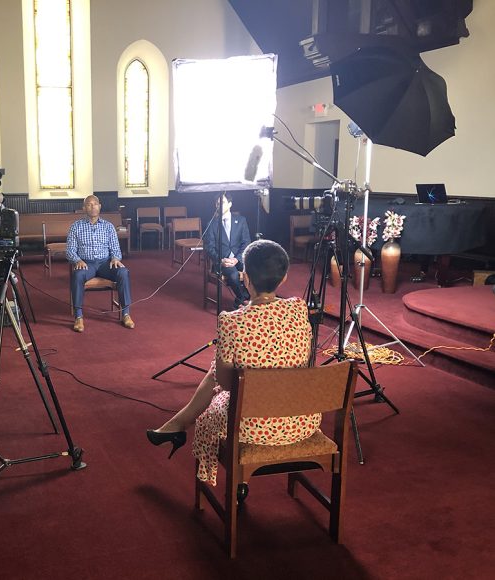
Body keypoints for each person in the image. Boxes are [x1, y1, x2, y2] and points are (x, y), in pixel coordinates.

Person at [146, 239, 318, 486]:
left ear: (245, 278)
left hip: (251, 426)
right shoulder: (298, 308)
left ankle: (179, 424)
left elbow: (226, 384)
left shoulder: (232, 321)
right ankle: (177, 424)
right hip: (300, 419)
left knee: (222, 371)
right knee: (230, 367)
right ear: (284, 279)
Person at [66, 195, 134, 332]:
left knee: (123, 272)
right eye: (89, 204)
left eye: (95, 204)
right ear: (84, 208)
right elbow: (69, 250)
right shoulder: (75, 227)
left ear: (100, 206)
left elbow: (116, 248)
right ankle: (78, 317)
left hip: (105, 264)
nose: (92, 207)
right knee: (78, 275)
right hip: (87, 264)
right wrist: (77, 260)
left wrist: (115, 258)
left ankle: (126, 313)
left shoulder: (108, 227)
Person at [203, 192, 251, 308]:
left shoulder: (241, 220)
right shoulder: (212, 224)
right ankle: (243, 299)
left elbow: (246, 242)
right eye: (217, 203)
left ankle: (241, 299)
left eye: (222, 202)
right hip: (222, 262)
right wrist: (221, 260)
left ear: (230, 204)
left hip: (239, 258)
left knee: (256, 270)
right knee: (234, 275)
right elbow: (209, 247)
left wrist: (237, 258)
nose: (219, 205)